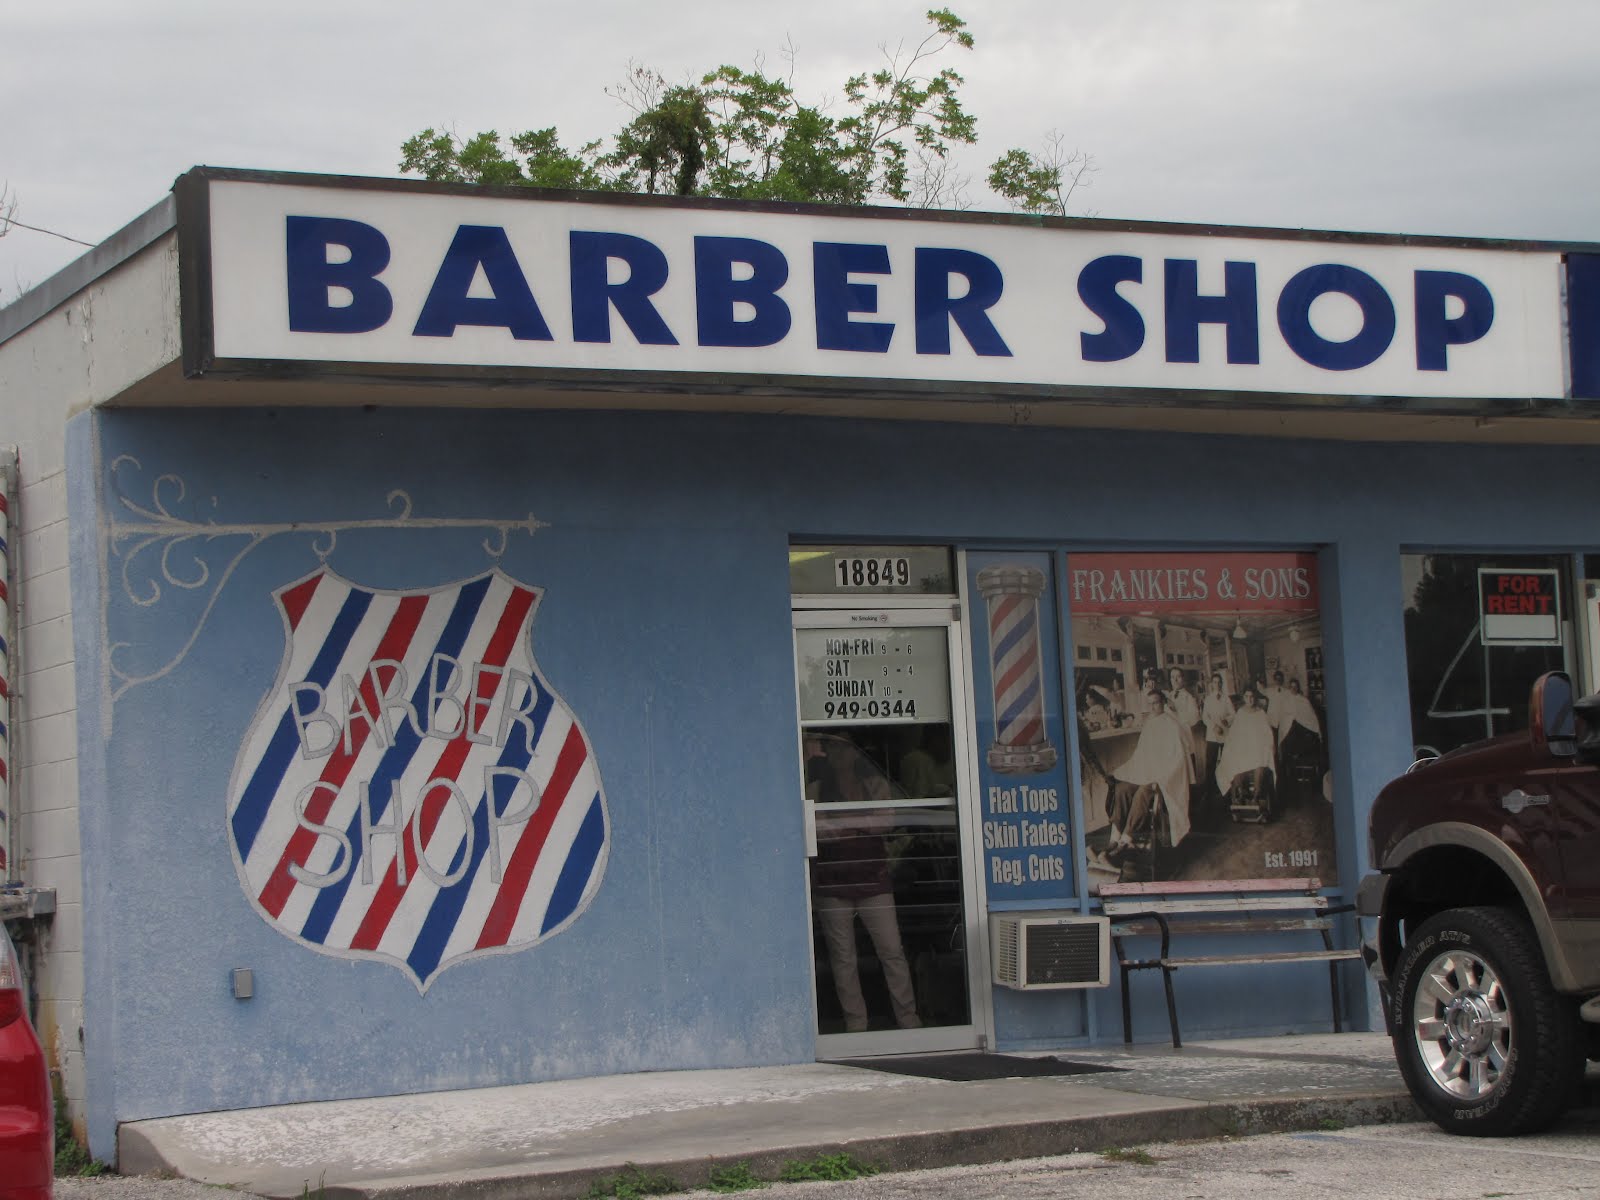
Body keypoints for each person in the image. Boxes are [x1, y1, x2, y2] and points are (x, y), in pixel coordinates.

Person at [807, 737, 921, 1033]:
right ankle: (856, 1026)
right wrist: (859, 823)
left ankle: (909, 1021)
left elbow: (887, 822)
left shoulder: (874, 785)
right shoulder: (816, 789)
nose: (839, 753)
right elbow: (815, 831)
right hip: (833, 881)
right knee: (843, 959)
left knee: (892, 950)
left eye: (845, 746)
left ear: (856, 751)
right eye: (832, 747)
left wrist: (843, 825)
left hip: (873, 878)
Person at [1101, 688, 1195, 864]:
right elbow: (1140, 757)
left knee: (1144, 791)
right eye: (1150, 704)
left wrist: (1161, 779)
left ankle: (1125, 843)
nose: (1153, 707)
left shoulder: (1172, 725)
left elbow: (1178, 761)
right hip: (1147, 774)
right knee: (1122, 788)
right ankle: (1112, 841)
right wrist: (1120, 772)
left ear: (1163, 703)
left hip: (1163, 779)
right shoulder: (1150, 724)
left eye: (1156, 703)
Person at [1215, 685, 1276, 810]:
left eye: (1252, 696)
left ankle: (1255, 797)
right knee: (1236, 762)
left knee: (1260, 762)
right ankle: (1240, 793)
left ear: (1255, 698)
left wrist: (1269, 746)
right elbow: (1234, 734)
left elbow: (1268, 734)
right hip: (1244, 749)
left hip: (1258, 748)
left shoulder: (1261, 713)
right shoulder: (1241, 713)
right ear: (1244, 698)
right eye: (1247, 697)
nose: (1250, 699)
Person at [1201, 671, 1235, 804]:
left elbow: (1233, 714)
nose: (1217, 684)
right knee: (1210, 763)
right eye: (1215, 682)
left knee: (1226, 761)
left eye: (1219, 682)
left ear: (1222, 684)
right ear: (1211, 685)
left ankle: (1227, 789)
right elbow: (1205, 717)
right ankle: (1209, 791)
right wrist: (1213, 726)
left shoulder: (1227, 698)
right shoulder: (1208, 699)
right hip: (1212, 735)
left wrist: (1228, 720)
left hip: (1225, 734)